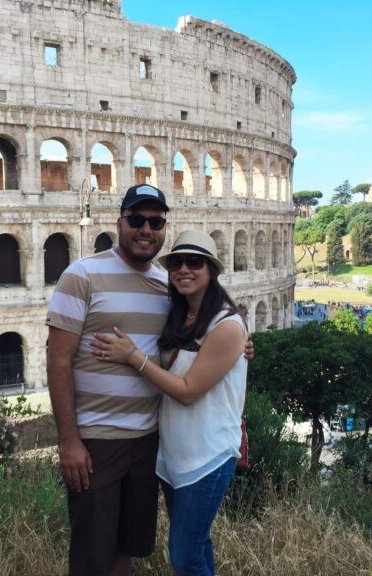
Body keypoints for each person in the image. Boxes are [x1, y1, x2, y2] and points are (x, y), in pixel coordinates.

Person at [91, 230, 248, 576]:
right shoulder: (179, 315)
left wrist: (133, 357)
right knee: (197, 545)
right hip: (174, 454)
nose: (183, 269)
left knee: (184, 555)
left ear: (211, 270)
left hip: (208, 456)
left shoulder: (226, 326)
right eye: (176, 263)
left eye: (195, 262)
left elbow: (188, 391)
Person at [46, 183, 171, 576]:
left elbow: (205, 330)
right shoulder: (82, 275)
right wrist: (69, 440)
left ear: (164, 228)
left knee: (126, 549)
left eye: (155, 222)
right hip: (97, 440)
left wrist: (239, 345)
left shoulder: (167, 285)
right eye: (137, 220)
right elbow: (58, 360)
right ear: (120, 223)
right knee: (92, 558)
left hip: (147, 439)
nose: (146, 230)